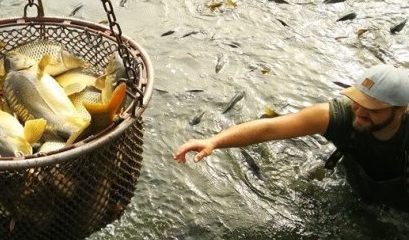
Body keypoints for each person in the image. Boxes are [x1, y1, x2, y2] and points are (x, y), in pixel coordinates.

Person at [174, 64, 409, 207]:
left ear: (401, 110)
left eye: (373, 108)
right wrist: (214, 141)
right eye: (357, 101)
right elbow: (270, 128)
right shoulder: (338, 115)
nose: (360, 112)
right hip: (358, 181)